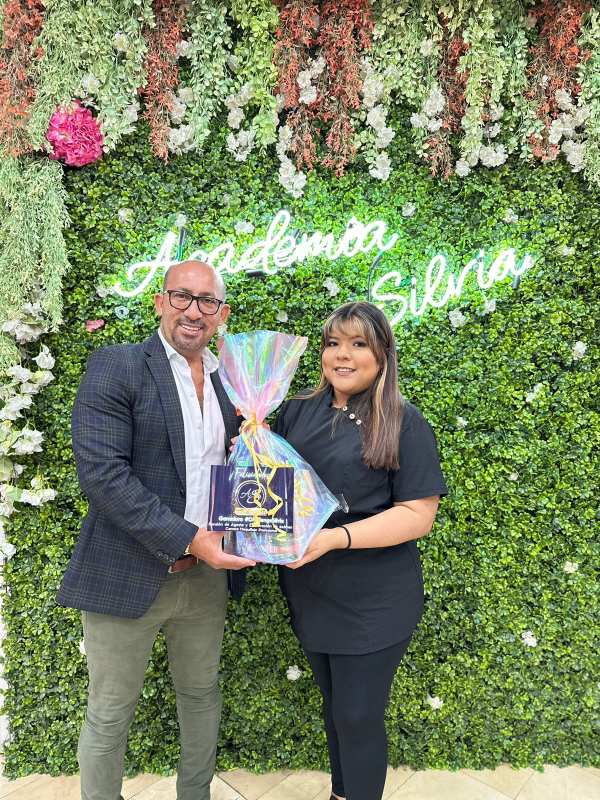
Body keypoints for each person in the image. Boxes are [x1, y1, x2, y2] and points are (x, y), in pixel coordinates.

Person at [57, 260, 255, 800]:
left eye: (207, 301)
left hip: (206, 579)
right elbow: (103, 476)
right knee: (110, 711)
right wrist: (192, 539)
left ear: (221, 314)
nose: (194, 310)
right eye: (182, 296)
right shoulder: (117, 366)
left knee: (201, 695)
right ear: (160, 302)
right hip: (128, 571)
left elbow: (241, 466)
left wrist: (255, 457)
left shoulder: (233, 383)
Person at [273, 301, 447, 800]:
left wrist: (335, 537)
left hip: (375, 595)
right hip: (311, 588)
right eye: (333, 344)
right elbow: (270, 485)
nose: (342, 355)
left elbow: (418, 515)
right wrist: (250, 443)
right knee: (336, 708)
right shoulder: (296, 411)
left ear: (382, 354)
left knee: (358, 714)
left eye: (358, 344)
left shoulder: (403, 421)